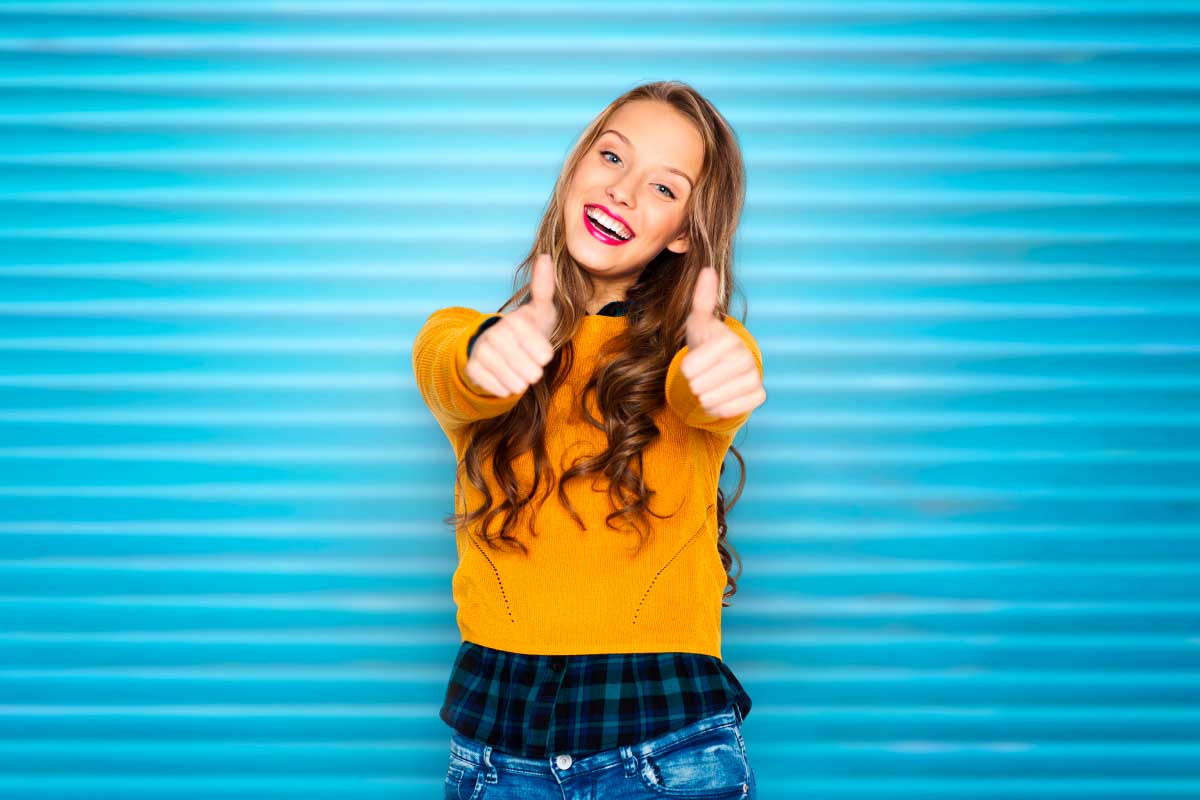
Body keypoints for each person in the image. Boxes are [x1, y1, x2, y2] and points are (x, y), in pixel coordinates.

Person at [412, 80, 767, 799]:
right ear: (574, 170)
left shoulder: (698, 355)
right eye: (611, 157)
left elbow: (706, 388)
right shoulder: (467, 336)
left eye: (663, 188)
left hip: (668, 748)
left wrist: (716, 362)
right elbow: (453, 365)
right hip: (497, 753)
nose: (624, 191)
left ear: (684, 234)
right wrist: (488, 351)